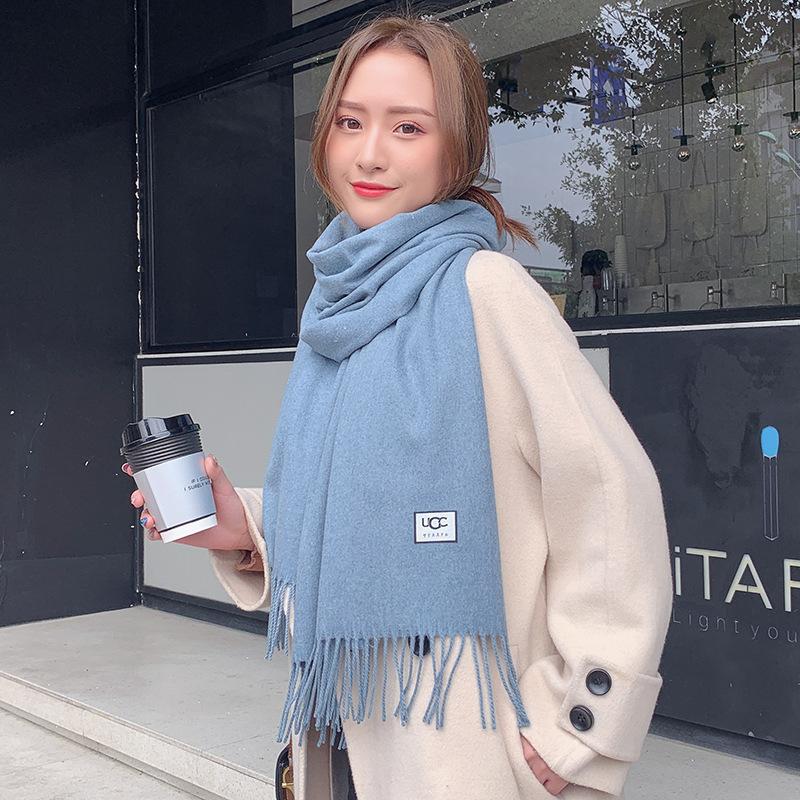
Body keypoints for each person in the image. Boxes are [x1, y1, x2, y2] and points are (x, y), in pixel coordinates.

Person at [124, 11, 673, 800]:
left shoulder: (486, 293)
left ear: (457, 147)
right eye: (349, 121)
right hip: (340, 735)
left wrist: (581, 723)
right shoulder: (337, 306)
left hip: (458, 753)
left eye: (408, 127)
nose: (370, 153)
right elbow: (355, 503)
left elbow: (612, 499)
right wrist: (245, 526)